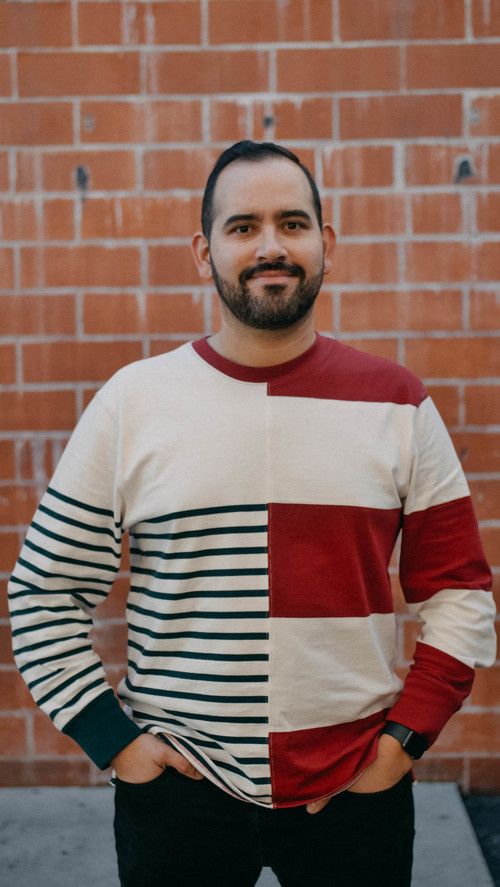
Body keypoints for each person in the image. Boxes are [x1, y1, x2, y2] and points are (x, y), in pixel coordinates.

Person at [8, 140, 496, 887]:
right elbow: (43, 592)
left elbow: (461, 591)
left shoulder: (397, 402)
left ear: (326, 244)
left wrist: (401, 743)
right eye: (243, 227)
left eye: (292, 224)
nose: (271, 246)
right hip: (178, 798)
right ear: (204, 252)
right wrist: (119, 746)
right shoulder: (134, 402)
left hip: (356, 792)